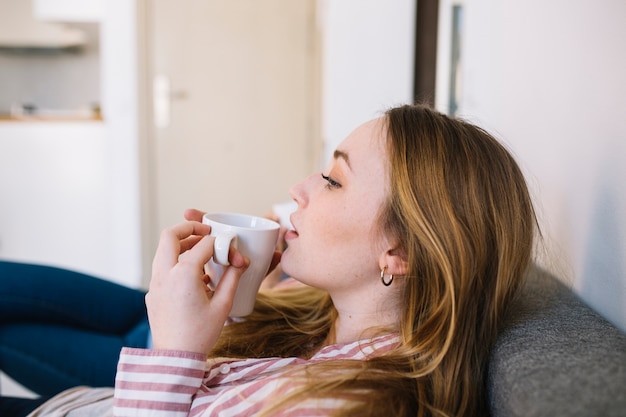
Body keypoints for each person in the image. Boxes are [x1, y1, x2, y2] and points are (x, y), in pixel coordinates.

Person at [0, 103, 538, 416]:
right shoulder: (333, 329)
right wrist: (222, 296)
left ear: (399, 252)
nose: (300, 188)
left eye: (332, 180)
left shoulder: (346, 405)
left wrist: (173, 349)